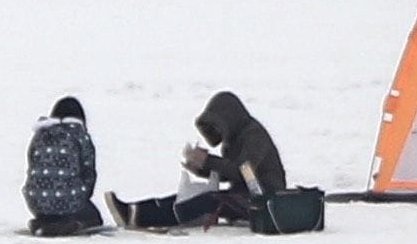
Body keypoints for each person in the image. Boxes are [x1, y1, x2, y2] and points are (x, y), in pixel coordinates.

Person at [113, 89, 300, 230]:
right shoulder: (233, 140)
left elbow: (242, 171)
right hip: (247, 195)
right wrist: (201, 168)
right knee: (191, 196)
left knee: (207, 201)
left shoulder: (254, 136)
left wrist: (208, 161)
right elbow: (233, 174)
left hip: (265, 201)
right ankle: (135, 211)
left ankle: (152, 217)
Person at [23, 95, 102, 236]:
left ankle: (42, 222)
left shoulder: (41, 135)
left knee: (50, 207)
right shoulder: (79, 135)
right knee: (93, 217)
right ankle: (67, 225)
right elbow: (89, 171)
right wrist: (83, 195)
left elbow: (32, 164)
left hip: (36, 202)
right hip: (69, 201)